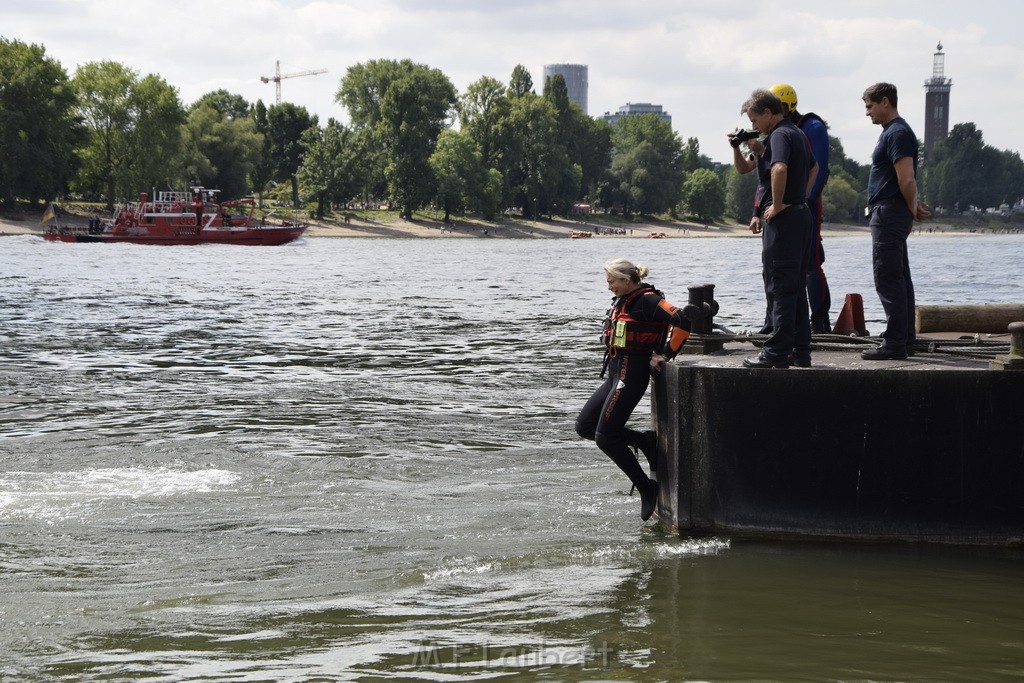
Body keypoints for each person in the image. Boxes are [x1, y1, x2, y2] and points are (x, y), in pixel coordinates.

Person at [575, 259, 696, 521]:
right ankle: (644, 441)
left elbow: (683, 320)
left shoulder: (648, 301)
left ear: (626, 279)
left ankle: (645, 486)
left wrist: (665, 353)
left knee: (605, 437)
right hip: (615, 375)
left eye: (611, 282)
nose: (608, 287)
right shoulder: (625, 299)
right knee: (585, 427)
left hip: (632, 376)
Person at [736, 89, 817, 369]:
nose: (754, 126)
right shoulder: (797, 133)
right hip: (801, 217)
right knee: (795, 288)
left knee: (780, 286)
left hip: (785, 220)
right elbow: (814, 167)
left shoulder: (780, 135)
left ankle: (776, 353)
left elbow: (779, 168)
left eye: (755, 119)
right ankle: (800, 350)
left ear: (769, 113)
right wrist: (800, 199)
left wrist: (780, 204)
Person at [861, 82, 931, 360]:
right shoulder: (892, 132)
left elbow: (906, 177)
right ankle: (903, 337)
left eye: (870, 106)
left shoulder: (898, 133)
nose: (867, 113)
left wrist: (912, 205)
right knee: (899, 275)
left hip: (889, 212)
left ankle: (895, 343)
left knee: (888, 275)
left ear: (885, 102)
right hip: (889, 210)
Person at [770, 83, 833, 334]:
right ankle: (790, 322)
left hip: (804, 203)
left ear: (786, 106)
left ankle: (819, 320)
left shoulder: (812, 127)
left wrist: (805, 202)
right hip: (784, 206)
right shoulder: (778, 130)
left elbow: (819, 168)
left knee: (810, 262)